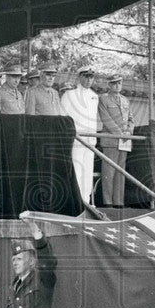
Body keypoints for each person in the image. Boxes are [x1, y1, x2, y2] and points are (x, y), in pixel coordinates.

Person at [60, 67, 100, 205]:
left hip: (90, 139)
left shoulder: (94, 96)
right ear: (80, 77)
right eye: (86, 76)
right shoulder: (69, 95)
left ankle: (86, 200)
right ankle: (75, 201)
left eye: (91, 77)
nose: (89, 80)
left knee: (88, 171)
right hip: (76, 139)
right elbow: (63, 117)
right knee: (76, 169)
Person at [97, 74, 134, 207]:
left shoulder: (125, 100)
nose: (117, 85)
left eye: (119, 83)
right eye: (114, 83)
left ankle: (118, 202)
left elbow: (131, 119)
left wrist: (129, 131)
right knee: (109, 172)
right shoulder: (104, 99)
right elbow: (106, 119)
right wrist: (119, 134)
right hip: (111, 139)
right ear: (109, 85)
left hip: (124, 140)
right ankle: (108, 202)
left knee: (121, 172)